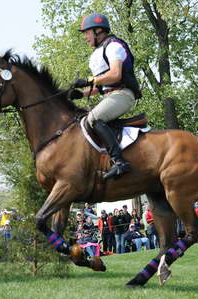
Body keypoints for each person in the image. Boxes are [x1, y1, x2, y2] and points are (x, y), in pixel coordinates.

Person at [72, 13, 142, 180]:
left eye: (87, 33)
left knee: (94, 119)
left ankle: (119, 162)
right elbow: (102, 87)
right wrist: (80, 94)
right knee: (82, 121)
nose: (85, 37)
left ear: (98, 31)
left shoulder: (114, 46)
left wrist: (89, 80)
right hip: (111, 95)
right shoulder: (99, 52)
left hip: (123, 94)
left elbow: (115, 75)